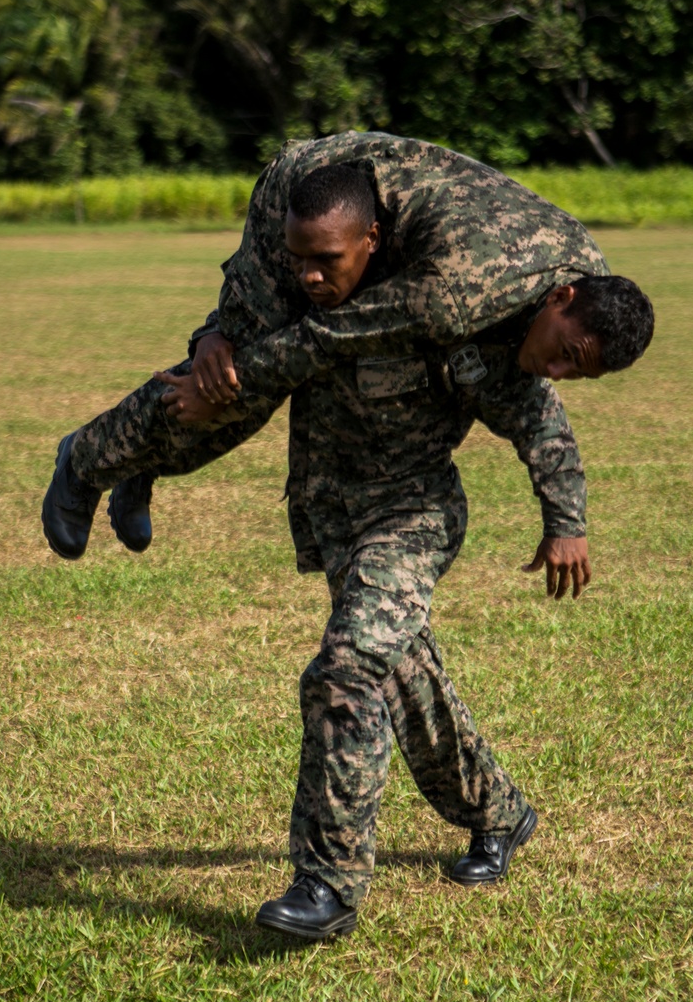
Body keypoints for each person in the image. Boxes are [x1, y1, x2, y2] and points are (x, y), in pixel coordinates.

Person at [42, 137, 654, 941]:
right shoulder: (320, 277)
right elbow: (264, 321)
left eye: (582, 368)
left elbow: (542, 424)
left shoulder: (476, 323)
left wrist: (567, 520)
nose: (562, 371)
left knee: (348, 670)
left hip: (410, 515)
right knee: (402, 673)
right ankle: (498, 813)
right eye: (570, 354)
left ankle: (326, 886)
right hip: (333, 504)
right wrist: (210, 337)